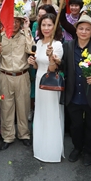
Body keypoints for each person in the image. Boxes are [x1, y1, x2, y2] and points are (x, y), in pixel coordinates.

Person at [60, 14, 91, 167]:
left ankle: (88, 151)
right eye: (81, 28)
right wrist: (54, 59)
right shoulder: (68, 46)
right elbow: (63, 67)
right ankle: (77, 148)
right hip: (73, 93)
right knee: (76, 125)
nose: (84, 32)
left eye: (87, 29)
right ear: (76, 30)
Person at [0, 6, 34, 150]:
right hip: (5, 76)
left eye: (17, 21)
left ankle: (24, 134)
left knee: (23, 106)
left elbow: (31, 50)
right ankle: (8, 136)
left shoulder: (24, 35)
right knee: (6, 107)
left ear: (21, 22)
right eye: (11, 20)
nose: (14, 24)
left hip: (22, 75)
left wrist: (27, 30)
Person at [28, 13, 64, 162]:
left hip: (50, 83)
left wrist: (51, 57)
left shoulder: (57, 44)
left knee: (51, 112)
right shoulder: (39, 42)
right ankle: (40, 146)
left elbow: (53, 68)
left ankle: (52, 150)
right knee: (41, 112)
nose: (46, 28)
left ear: (55, 26)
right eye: (43, 25)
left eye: (49, 25)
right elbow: (39, 65)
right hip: (38, 80)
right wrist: (33, 62)